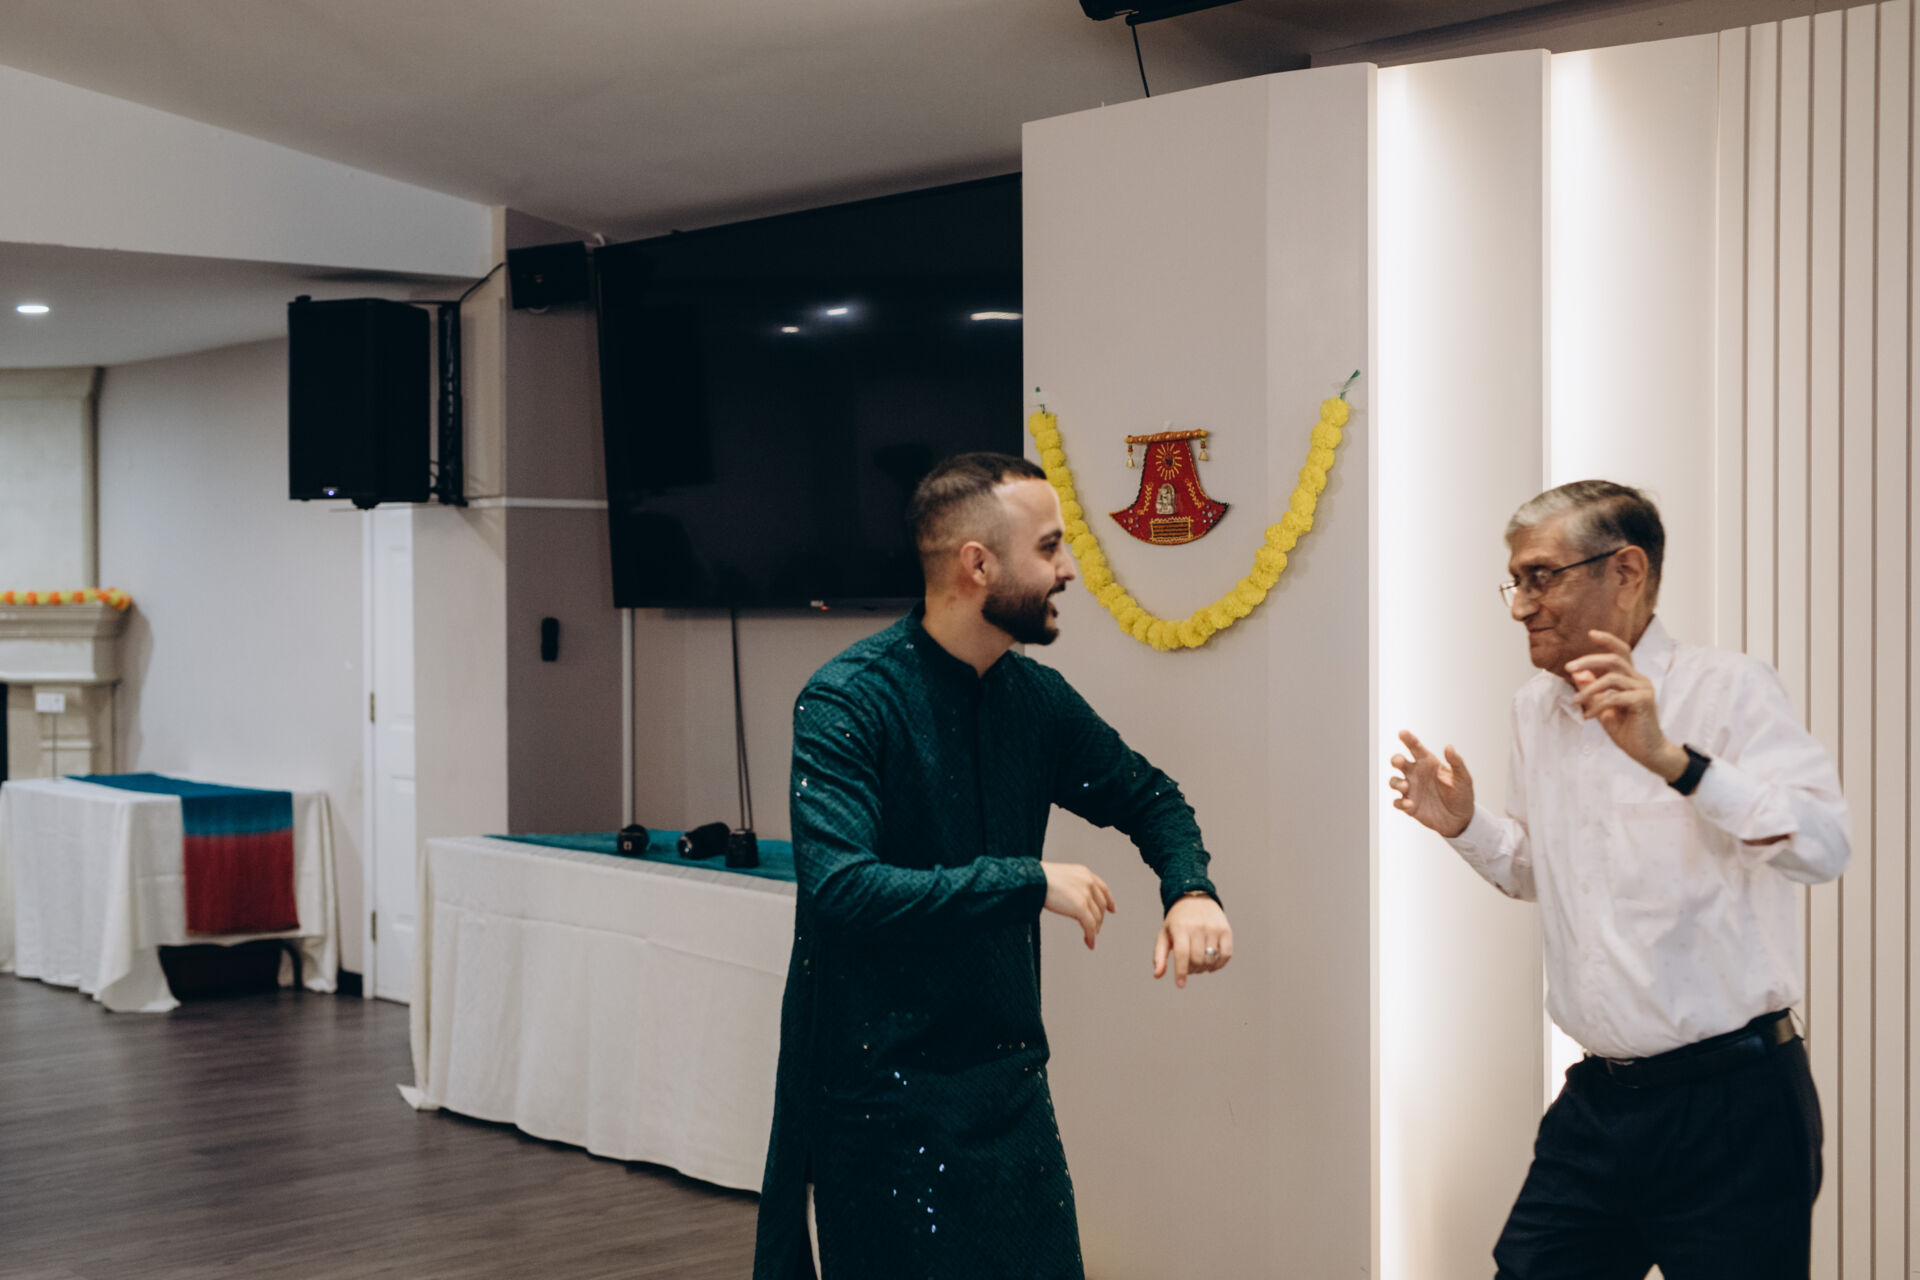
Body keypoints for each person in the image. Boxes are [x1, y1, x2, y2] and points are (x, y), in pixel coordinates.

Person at [753, 452, 1234, 1280]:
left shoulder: (1036, 701)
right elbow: (843, 890)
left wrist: (1190, 890)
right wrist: (1028, 879)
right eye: (1049, 547)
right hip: (879, 1106)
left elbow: (1150, 796)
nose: (1069, 569)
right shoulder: (847, 700)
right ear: (977, 565)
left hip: (1010, 1091)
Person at [1389, 480, 1848, 1279]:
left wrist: (1674, 761)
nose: (1521, 606)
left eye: (1542, 577)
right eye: (1516, 581)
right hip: (1599, 1108)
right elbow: (1541, 874)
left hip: (1733, 1107)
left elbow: (1823, 848)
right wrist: (1467, 826)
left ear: (1627, 572)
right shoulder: (1535, 711)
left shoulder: (1729, 688)